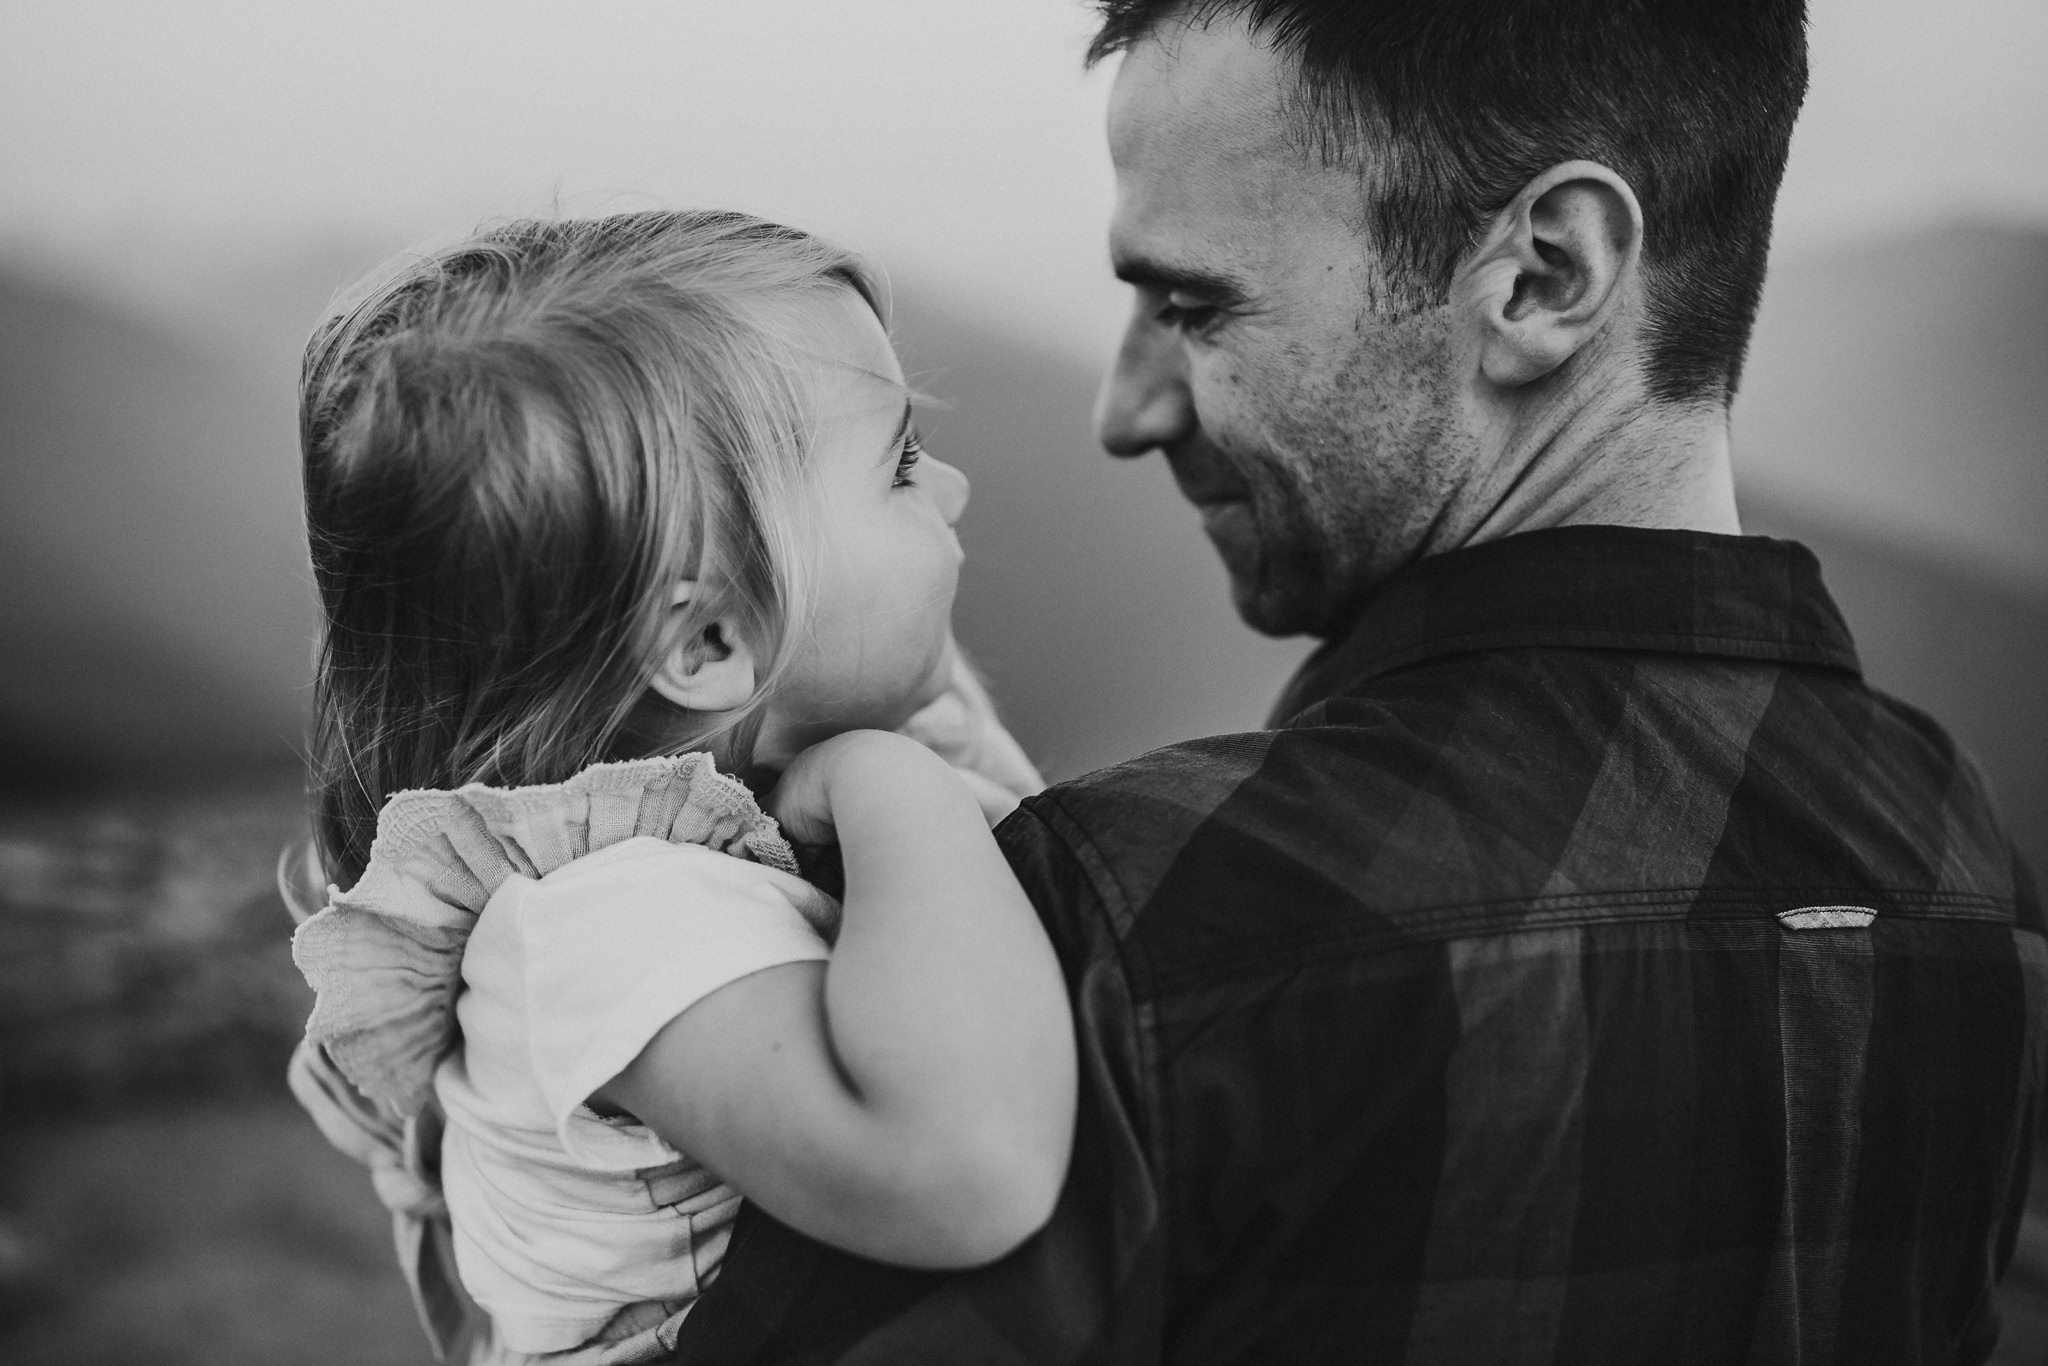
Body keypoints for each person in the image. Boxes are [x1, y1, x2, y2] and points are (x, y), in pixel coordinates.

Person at [665, 3, 2046, 1363]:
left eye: (1195, 303)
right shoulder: (1968, 863)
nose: (1127, 407)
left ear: (1546, 275)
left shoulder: (1118, 923)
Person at [281, 210, 1076, 1364]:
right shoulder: (611, 926)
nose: (950, 489)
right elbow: (971, 1169)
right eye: (899, 465)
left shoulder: (686, 863)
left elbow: (1036, 882)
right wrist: (893, 783)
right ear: (707, 642)